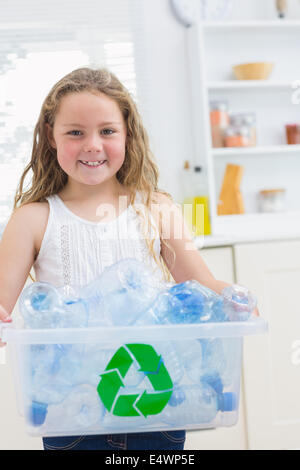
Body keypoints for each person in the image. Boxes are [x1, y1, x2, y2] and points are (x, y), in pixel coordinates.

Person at [0, 67, 258, 450]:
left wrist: (236, 298)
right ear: (50, 138)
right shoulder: (33, 218)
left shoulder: (158, 208)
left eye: (107, 131)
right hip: (73, 414)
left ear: (127, 135)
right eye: (75, 132)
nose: (92, 145)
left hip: (157, 402)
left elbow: (200, 282)